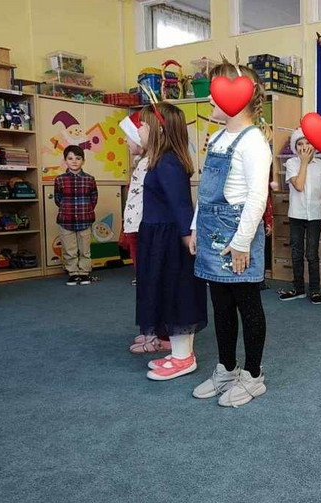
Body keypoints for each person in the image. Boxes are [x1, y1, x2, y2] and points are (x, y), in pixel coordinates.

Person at [189, 60, 272, 408]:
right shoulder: (219, 137)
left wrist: (241, 243)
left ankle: (253, 375)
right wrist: (195, 225)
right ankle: (226, 368)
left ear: (238, 98)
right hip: (211, 228)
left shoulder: (254, 142)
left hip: (238, 233)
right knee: (220, 304)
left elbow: (257, 197)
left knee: (246, 304)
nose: (210, 97)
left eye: (215, 91)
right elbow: (206, 189)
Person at [135, 102, 207, 381]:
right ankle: (180, 353)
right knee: (168, 293)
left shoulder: (167, 163)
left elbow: (180, 205)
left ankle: (183, 358)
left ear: (158, 130)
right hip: (160, 236)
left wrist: (188, 240)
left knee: (175, 294)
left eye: (143, 125)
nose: (139, 130)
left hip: (169, 240)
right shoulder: (162, 160)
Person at [118, 110, 172, 355]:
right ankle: (152, 329)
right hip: (137, 230)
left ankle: (161, 334)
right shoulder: (143, 163)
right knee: (145, 281)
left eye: (130, 135)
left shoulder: (153, 163)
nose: (126, 140)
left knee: (152, 282)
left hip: (147, 231)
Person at [279, 128, 321, 304]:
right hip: (297, 214)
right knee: (296, 252)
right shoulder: (291, 163)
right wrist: (304, 163)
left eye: (307, 143)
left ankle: (315, 290)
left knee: (312, 254)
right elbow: (299, 185)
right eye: (300, 144)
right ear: (295, 146)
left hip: (315, 214)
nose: (304, 147)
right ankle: (298, 288)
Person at [53, 146, 97, 286]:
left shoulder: (89, 179)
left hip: (85, 219)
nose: (74, 161)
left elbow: (93, 198)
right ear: (65, 161)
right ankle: (73, 273)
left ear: (83, 161)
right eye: (70, 158)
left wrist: (86, 210)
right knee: (69, 249)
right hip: (66, 220)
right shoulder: (60, 179)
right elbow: (58, 199)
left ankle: (84, 272)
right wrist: (67, 208)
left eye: (78, 158)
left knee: (85, 249)